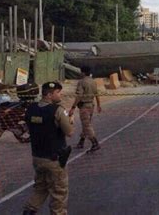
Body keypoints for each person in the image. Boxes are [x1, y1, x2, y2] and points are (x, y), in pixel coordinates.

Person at [23, 82, 73, 215]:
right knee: (59, 193)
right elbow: (69, 132)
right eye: (58, 92)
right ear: (50, 95)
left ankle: (29, 211)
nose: (60, 95)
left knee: (40, 188)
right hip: (54, 159)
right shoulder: (58, 110)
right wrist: (69, 120)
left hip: (38, 157)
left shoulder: (31, 108)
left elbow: (30, 127)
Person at [69, 66, 101, 152]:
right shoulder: (93, 81)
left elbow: (79, 95)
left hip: (84, 106)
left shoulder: (82, 82)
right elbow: (96, 94)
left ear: (83, 72)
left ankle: (95, 143)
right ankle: (81, 142)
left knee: (87, 125)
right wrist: (98, 105)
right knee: (86, 123)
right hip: (91, 105)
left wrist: (73, 107)